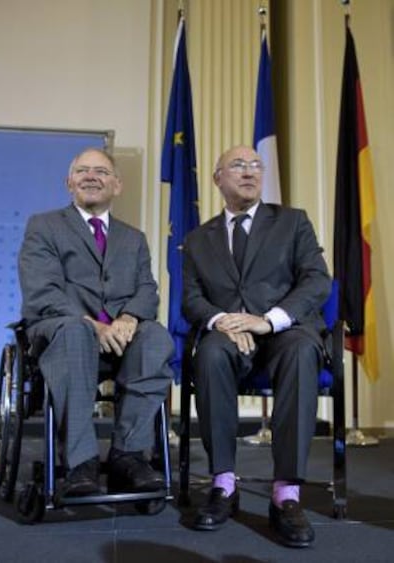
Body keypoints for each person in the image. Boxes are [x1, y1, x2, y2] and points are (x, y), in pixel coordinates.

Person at [182, 145, 332, 547]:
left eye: (255, 165)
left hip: (285, 330)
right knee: (210, 352)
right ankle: (223, 485)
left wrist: (269, 320)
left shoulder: (292, 222)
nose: (249, 172)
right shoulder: (198, 239)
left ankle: (286, 493)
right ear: (218, 179)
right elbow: (192, 299)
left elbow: (317, 281)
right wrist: (222, 321)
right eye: (237, 165)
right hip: (232, 335)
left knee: (302, 351)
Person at [19, 148, 174, 498]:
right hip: (62, 331)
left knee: (155, 337)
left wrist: (129, 318)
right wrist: (93, 325)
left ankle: (129, 454)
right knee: (75, 332)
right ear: (69, 182)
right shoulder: (43, 226)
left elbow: (147, 290)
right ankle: (81, 462)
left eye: (101, 172)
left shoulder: (132, 238)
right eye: (83, 171)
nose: (92, 176)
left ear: (117, 185)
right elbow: (42, 291)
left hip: (121, 337)